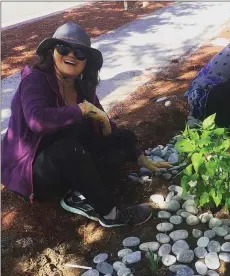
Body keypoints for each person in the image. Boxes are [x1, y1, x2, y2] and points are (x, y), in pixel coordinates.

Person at [1, 22, 170, 228]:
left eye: (79, 52)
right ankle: (110, 214)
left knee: (122, 138)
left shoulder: (82, 88)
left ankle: (77, 194)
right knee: (69, 149)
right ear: (51, 52)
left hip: (70, 157)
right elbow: (37, 121)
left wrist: (138, 154)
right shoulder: (35, 81)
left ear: (86, 61)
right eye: (63, 48)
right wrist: (80, 110)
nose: (71, 55)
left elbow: (105, 123)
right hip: (35, 170)